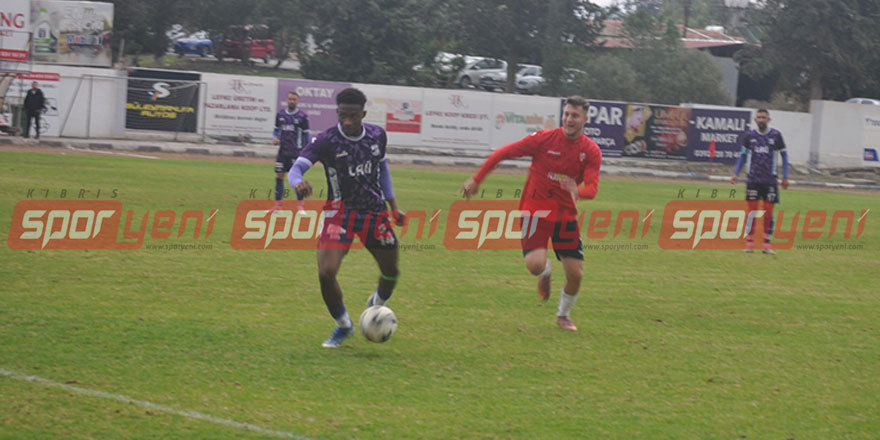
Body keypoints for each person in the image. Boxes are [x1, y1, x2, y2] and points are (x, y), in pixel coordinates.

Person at [461, 96, 602, 331]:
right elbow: (503, 153)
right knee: (534, 265)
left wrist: (577, 191)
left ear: (585, 119)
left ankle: (563, 315)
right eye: (566, 114)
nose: (569, 119)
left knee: (576, 275)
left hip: (565, 217)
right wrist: (477, 180)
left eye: (575, 115)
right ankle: (544, 271)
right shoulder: (544, 139)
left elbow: (593, 188)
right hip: (534, 212)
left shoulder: (590, 151)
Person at [288, 87, 405, 347]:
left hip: (374, 212)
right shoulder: (326, 141)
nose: (347, 121)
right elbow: (296, 169)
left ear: (363, 114)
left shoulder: (377, 136)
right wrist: (298, 183)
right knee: (326, 272)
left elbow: (383, 170)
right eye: (342, 115)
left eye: (353, 116)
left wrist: (393, 206)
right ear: (337, 113)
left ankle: (376, 306)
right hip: (339, 214)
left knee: (391, 271)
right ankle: (344, 325)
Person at [731, 109, 789, 255]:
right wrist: (736, 173)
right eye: (759, 117)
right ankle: (749, 243)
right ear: (755, 120)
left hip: (770, 181)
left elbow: (785, 156)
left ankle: (766, 244)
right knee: (751, 212)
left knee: (768, 212)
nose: (761, 119)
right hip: (753, 180)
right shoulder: (749, 136)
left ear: (768, 119)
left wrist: (785, 176)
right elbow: (743, 156)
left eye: (764, 117)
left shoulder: (776, 135)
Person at [272, 91, 310, 211]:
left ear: (297, 101)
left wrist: (305, 150)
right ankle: (278, 206)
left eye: (294, 99)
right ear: (287, 100)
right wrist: (276, 137)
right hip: (282, 152)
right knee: (279, 177)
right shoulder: (280, 115)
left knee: (297, 179)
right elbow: (276, 129)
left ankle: (300, 206)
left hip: (295, 152)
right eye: (290, 99)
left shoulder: (302, 117)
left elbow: (306, 135)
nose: (292, 101)